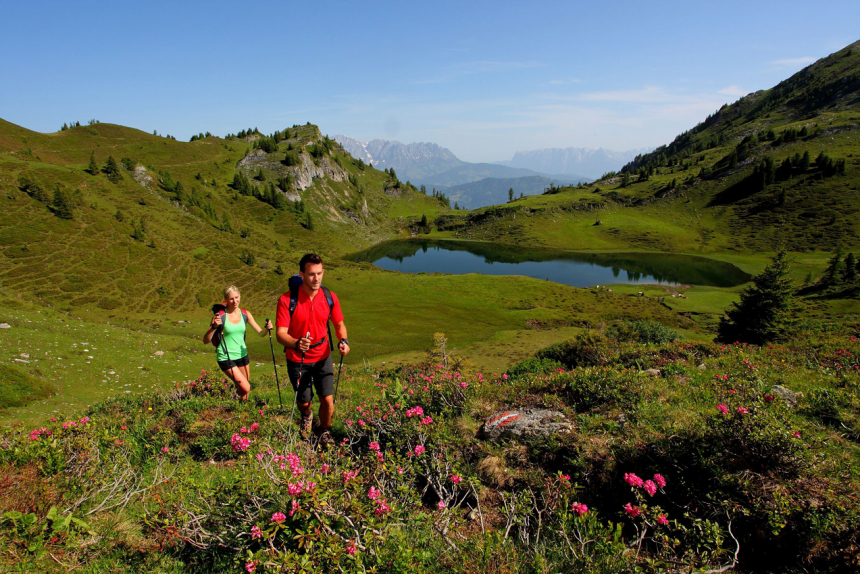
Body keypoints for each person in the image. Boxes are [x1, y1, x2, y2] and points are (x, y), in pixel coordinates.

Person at [276, 253, 350, 446]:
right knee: (304, 401)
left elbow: (339, 325)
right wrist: (295, 343)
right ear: (301, 274)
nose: (316, 278)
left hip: (323, 355)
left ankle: (324, 431)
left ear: (323, 272)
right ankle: (307, 415)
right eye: (311, 274)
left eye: (319, 273)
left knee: (327, 400)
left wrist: (344, 341)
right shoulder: (287, 300)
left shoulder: (329, 297)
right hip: (297, 357)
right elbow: (280, 334)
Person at [203, 285, 272, 400]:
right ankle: (237, 406)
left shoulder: (245, 314)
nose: (235, 301)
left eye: (236, 297)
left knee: (243, 390)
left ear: (240, 296)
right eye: (231, 299)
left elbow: (260, 332)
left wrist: (267, 328)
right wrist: (214, 327)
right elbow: (205, 340)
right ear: (226, 300)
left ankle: (242, 412)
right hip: (226, 356)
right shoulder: (220, 316)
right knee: (246, 387)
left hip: (242, 355)